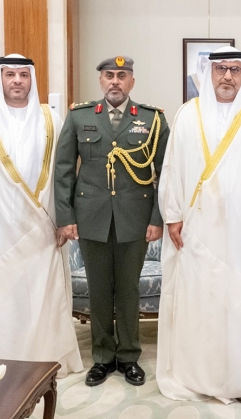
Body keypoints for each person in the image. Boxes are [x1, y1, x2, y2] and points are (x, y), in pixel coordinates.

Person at [156, 46, 241, 404]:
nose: (227, 76)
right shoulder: (188, 114)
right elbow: (172, 169)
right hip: (197, 228)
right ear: (209, 72)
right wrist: (173, 215)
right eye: (221, 69)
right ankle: (199, 375)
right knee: (202, 300)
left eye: (235, 70)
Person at [0, 54, 83, 378]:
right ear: (0, 78)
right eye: (10, 74)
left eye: (23, 75)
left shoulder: (50, 119)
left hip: (40, 227)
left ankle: (41, 357)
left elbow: (64, 173)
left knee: (38, 294)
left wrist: (64, 218)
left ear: (31, 79)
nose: (17, 81)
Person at [54, 56, 169, 387]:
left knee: (129, 289)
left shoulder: (152, 119)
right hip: (92, 217)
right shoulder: (80, 116)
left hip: (136, 218)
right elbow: (63, 169)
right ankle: (103, 357)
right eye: (109, 75)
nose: (115, 81)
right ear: (101, 81)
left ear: (132, 81)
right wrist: (65, 217)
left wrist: (157, 218)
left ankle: (129, 355)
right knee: (99, 289)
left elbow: (166, 172)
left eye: (122, 75)